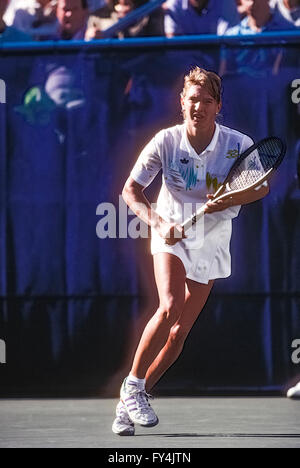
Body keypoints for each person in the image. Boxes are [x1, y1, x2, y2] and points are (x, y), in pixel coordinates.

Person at [112, 66, 270, 435]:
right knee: (170, 307)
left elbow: (260, 188)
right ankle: (133, 383)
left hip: (213, 239)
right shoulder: (165, 142)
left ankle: (132, 400)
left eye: (207, 100)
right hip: (170, 232)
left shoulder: (237, 144)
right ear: (182, 102)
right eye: (192, 99)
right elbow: (130, 192)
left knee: (178, 332)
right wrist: (158, 222)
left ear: (218, 106)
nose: (198, 106)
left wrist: (229, 198)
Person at [164, 0, 240, 37]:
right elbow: (174, 47)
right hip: (183, 65)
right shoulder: (173, 4)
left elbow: (228, 45)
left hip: (217, 66)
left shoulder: (226, 3)